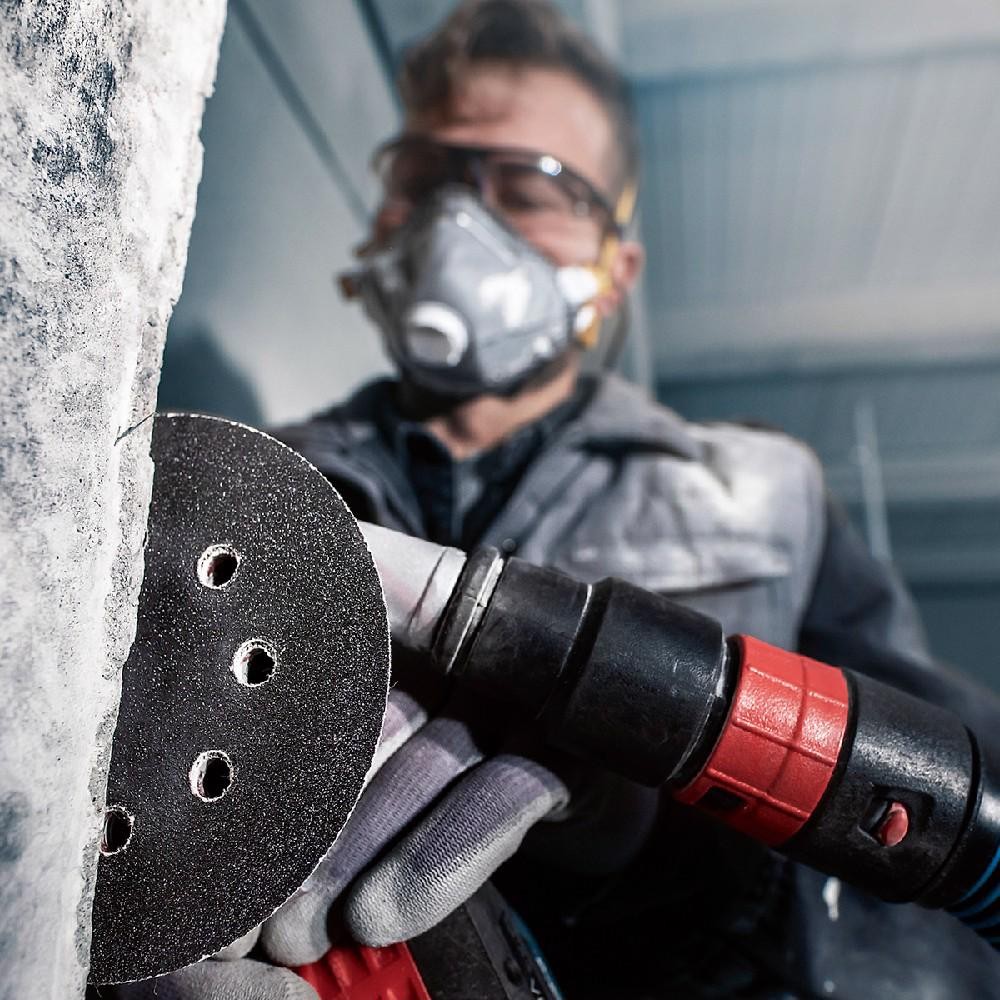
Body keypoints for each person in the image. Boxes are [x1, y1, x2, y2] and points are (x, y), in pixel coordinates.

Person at [121, 2, 1000, 997]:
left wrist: (660, 832)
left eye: (529, 187)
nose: (459, 222)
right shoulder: (253, 486)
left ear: (613, 272)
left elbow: (932, 849)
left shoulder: (770, 497)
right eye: (426, 177)